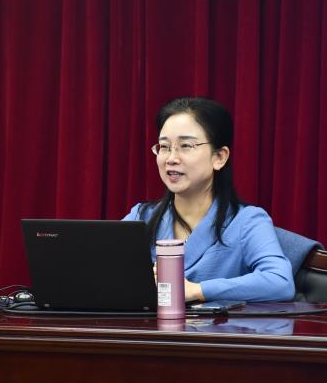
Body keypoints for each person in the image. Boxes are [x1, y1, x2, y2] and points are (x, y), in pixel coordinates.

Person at [123, 97, 294, 303]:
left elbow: (280, 281)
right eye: (165, 146)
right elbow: (101, 270)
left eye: (186, 145)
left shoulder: (247, 221)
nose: (171, 158)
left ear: (219, 157)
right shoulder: (141, 217)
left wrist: (197, 290)